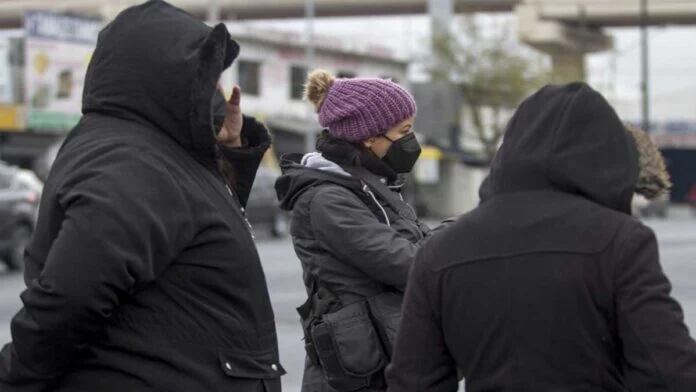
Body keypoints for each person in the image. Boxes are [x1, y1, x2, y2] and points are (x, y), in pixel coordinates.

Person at [0, 1, 284, 391]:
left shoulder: (157, 151)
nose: (216, 91)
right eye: (205, 77)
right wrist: (14, 378)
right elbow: (70, 299)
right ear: (162, 75)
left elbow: (194, 233)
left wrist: (228, 154)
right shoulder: (131, 160)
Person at [387, 82, 696, 392]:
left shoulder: (440, 250)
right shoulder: (621, 241)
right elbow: (669, 373)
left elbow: (413, 381)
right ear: (612, 159)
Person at [275, 69, 433, 392]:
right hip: (354, 377)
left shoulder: (373, 188)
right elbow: (405, 262)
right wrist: (469, 240)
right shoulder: (326, 200)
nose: (410, 142)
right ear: (368, 138)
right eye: (403, 132)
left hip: (383, 361)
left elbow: (423, 242)